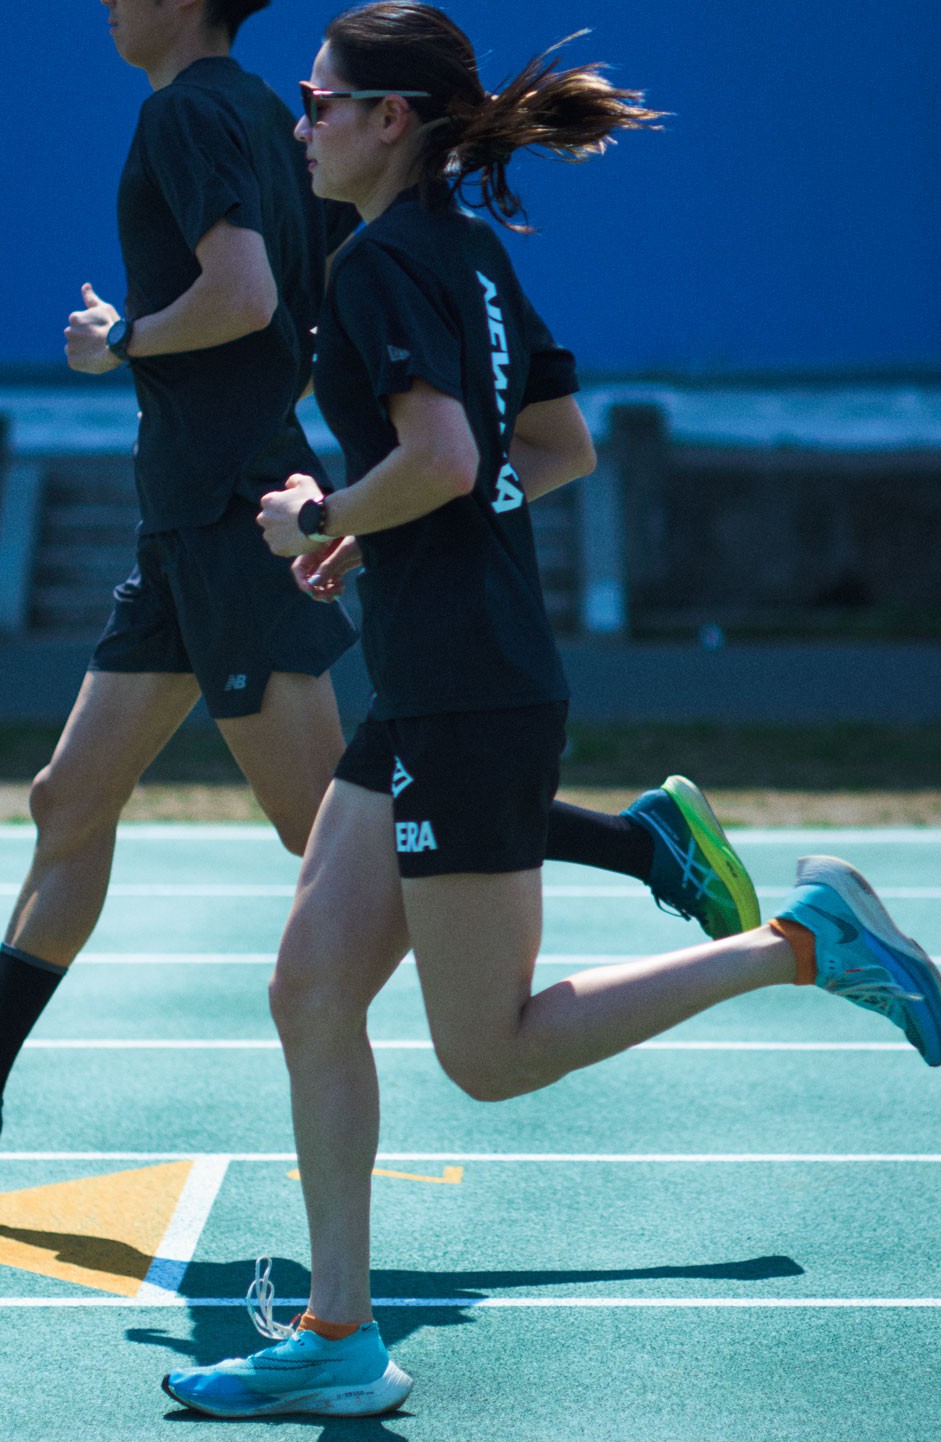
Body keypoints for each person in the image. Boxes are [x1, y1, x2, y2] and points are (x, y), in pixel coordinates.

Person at [162, 3, 941, 1419]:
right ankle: (339, 1337)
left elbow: (454, 453)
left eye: (318, 98)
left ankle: (801, 946)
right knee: (309, 988)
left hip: (466, 688)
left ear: (388, 119)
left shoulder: (383, 265)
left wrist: (320, 514)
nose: (301, 123)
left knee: (491, 1051)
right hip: (437, 673)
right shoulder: (460, 256)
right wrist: (391, 530)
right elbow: (551, 451)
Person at [0, 0, 759, 1141]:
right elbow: (374, 365)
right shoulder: (284, 131)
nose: (107, 2)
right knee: (69, 801)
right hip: (202, 515)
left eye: (326, 106)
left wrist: (128, 344)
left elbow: (253, 299)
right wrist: (377, 505)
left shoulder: (198, 122)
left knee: (340, 838)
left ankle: (645, 847)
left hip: (232, 513)